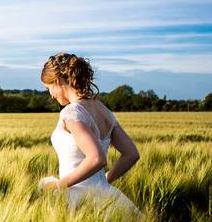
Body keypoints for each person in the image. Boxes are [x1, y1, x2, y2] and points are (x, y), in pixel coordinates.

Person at [38, 52, 142, 213]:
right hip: (104, 196)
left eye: (49, 88)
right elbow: (131, 154)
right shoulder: (105, 111)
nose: (51, 95)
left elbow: (97, 158)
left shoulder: (71, 113)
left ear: (58, 81)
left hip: (77, 197)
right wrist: (104, 182)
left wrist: (60, 185)